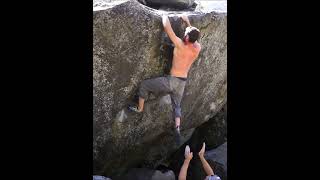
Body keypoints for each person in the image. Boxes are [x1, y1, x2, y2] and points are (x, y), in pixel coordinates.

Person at [128, 14, 201, 138]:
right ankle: (177, 127)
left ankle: (140, 108)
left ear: (187, 37)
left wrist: (164, 14)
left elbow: (167, 26)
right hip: (182, 82)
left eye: (186, 32)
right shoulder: (197, 48)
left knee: (145, 85)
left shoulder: (180, 44)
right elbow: (195, 37)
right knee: (177, 105)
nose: (184, 33)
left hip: (171, 81)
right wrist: (188, 22)